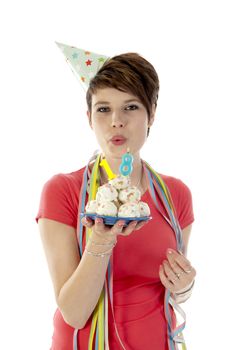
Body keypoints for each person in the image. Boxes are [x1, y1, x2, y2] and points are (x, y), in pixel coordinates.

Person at [35, 48, 196, 350]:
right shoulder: (62, 191)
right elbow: (74, 312)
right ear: (89, 118)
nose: (117, 121)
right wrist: (100, 241)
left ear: (152, 114)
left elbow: (173, 292)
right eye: (103, 109)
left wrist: (184, 286)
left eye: (131, 107)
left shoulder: (176, 196)